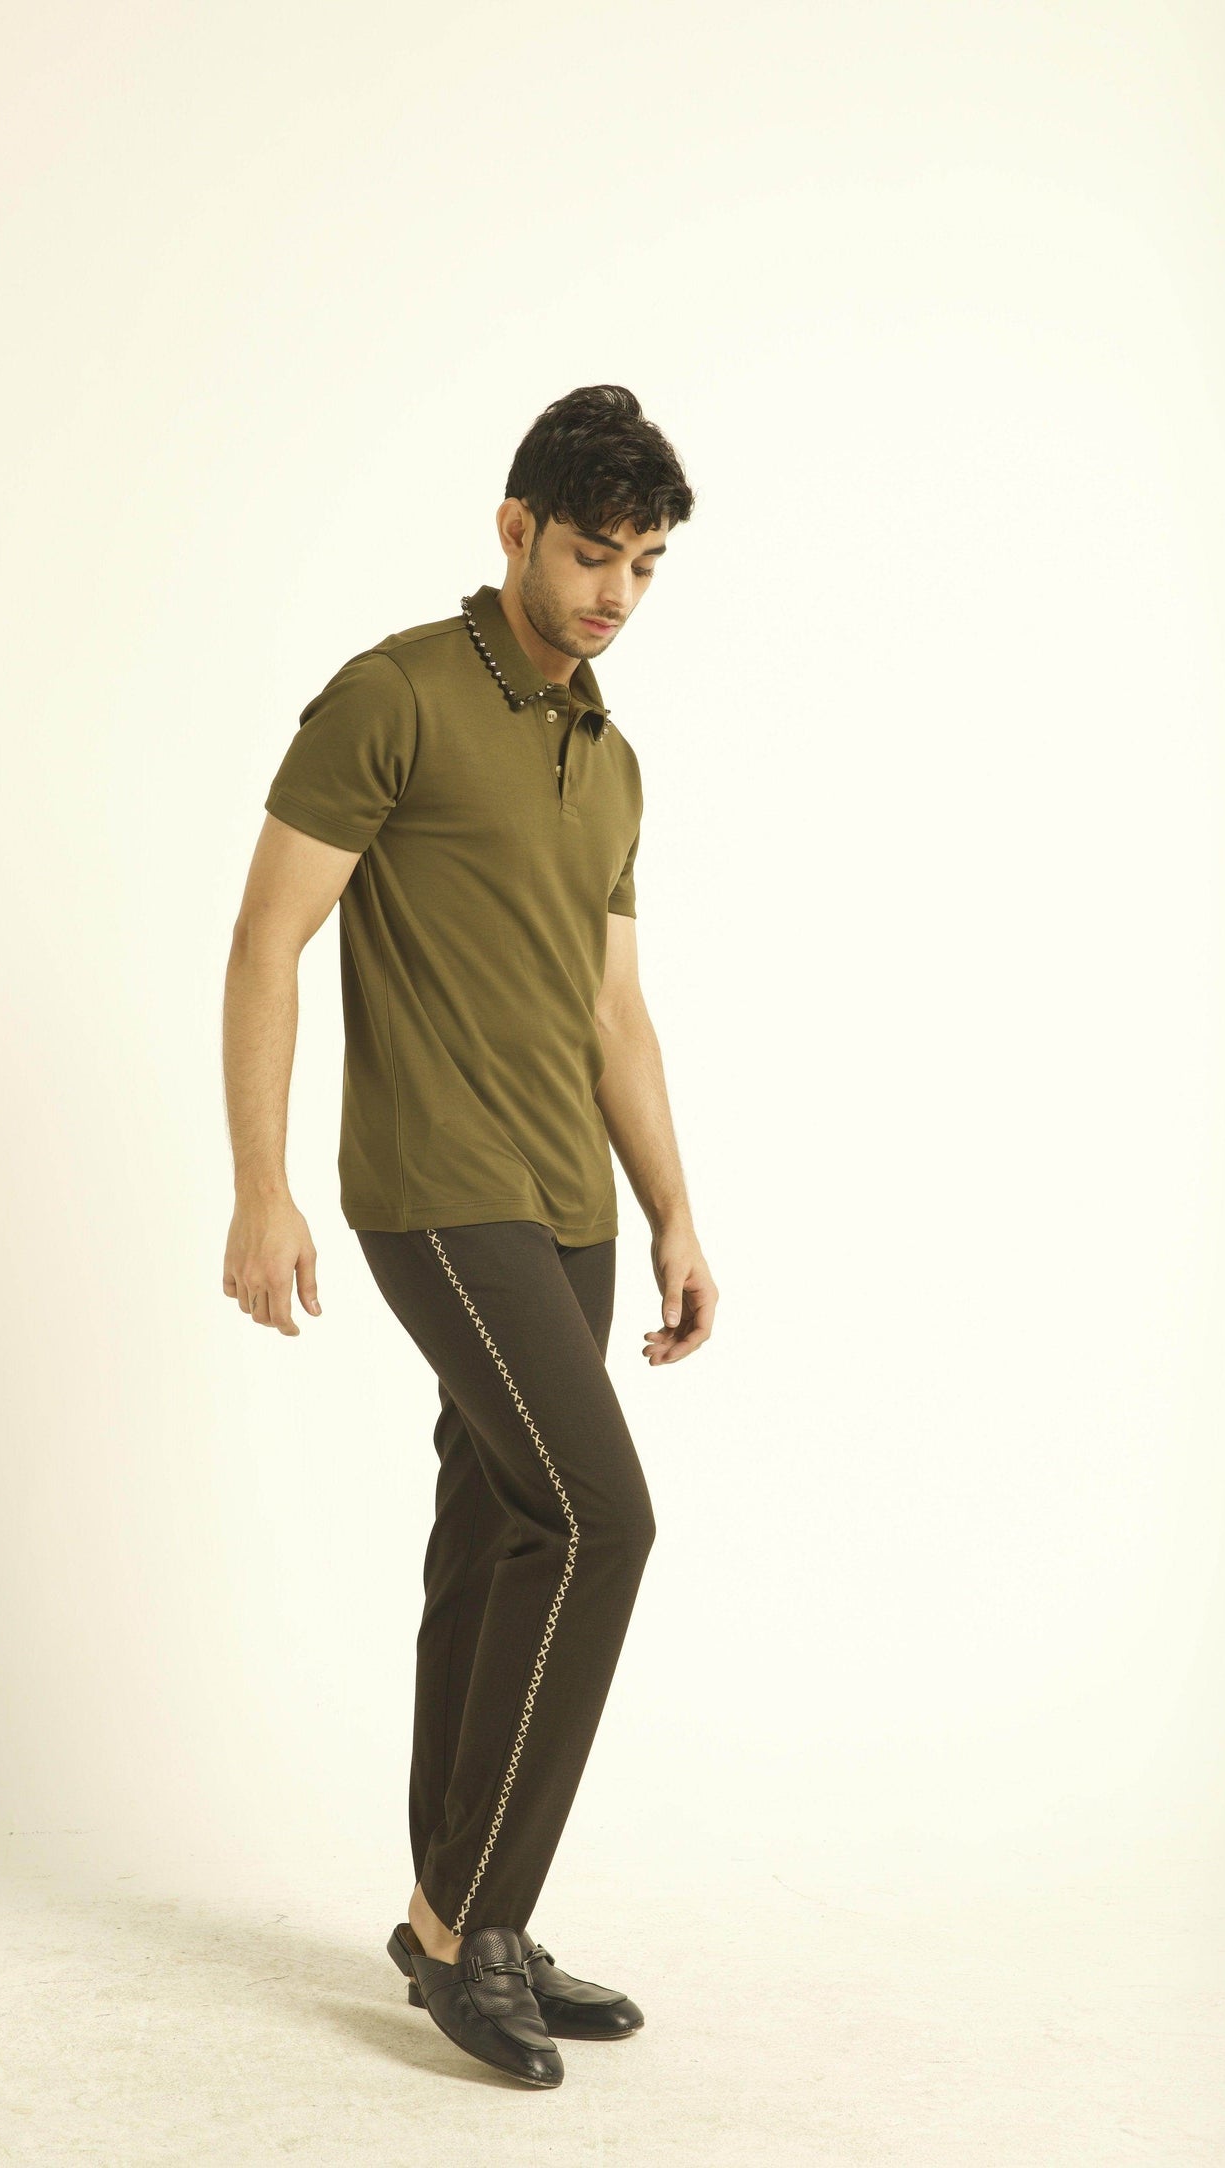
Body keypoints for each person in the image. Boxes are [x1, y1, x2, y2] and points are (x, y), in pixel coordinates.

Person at [220, 383, 718, 2089]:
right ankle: (468, 1932)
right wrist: (262, 1184)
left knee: (506, 1535)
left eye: (643, 565)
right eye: (590, 554)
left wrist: (672, 1210)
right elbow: (268, 940)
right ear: (515, 530)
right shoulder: (396, 695)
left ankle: (453, 1909)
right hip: (437, 1189)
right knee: (601, 1520)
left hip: (569, 1207)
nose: (614, 593)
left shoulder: (609, 754)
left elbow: (613, 1012)